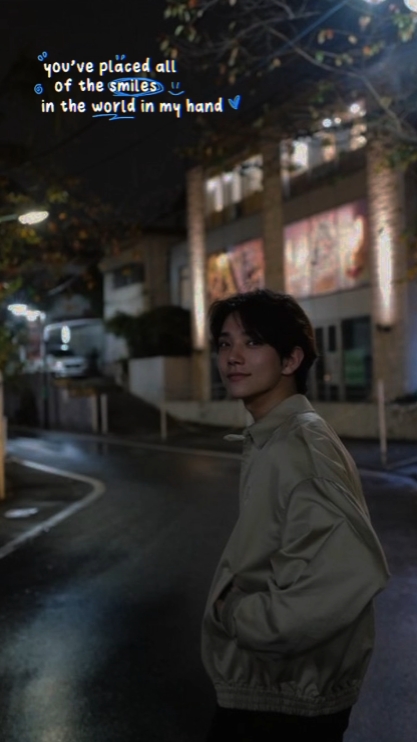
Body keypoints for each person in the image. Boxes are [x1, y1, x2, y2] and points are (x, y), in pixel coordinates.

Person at [201, 289, 390, 742]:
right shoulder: (276, 435)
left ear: (291, 359)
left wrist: (236, 613)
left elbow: (345, 576)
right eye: (225, 343)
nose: (233, 357)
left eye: (252, 342)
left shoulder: (300, 447)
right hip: (277, 689)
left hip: (286, 699)